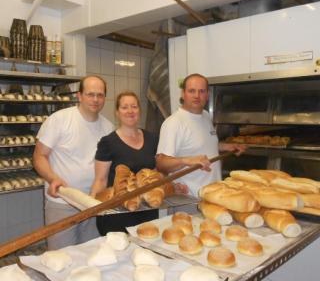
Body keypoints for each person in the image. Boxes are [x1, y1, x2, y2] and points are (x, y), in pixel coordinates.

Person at [33, 75, 114, 250]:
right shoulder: (60, 120)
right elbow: (39, 156)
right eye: (90, 94)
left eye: (100, 95)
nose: (95, 99)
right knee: (61, 257)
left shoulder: (108, 128)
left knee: (90, 257)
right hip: (63, 202)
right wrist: (53, 178)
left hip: (93, 203)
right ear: (79, 95)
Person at [156, 73, 245, 197]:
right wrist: (187, 160)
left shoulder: (206, 116)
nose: (197, 96)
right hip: (189, 198)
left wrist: (226, 147)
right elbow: (161, 163)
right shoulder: (174, 123)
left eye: (201, 91)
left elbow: (201, 143)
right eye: (192, 91)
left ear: (207, 95)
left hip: (212, 195)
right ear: (183, 93)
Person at [91, 91, 159, 235]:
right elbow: (100, 179)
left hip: (147, 210)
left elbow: (156, 174)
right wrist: (92, 204)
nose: (130, 111)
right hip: (117, 213)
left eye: (134, 106)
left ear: (139, 110)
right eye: (124, 107)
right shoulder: (108, 142)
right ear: (117, 112)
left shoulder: (153, 139)